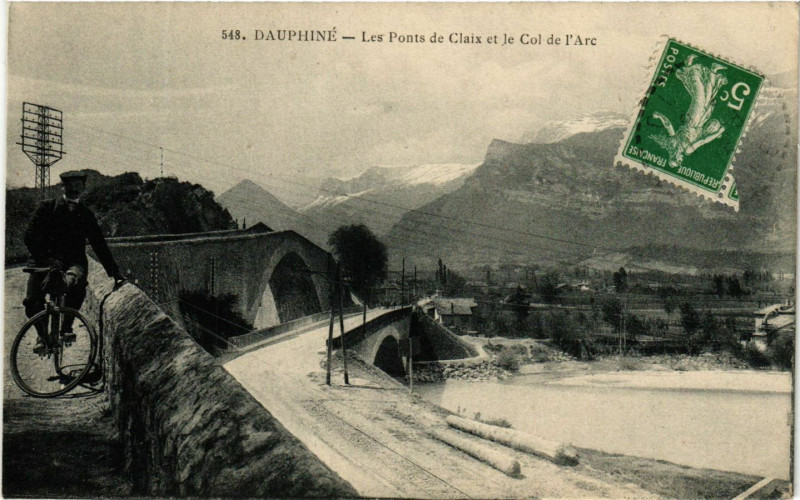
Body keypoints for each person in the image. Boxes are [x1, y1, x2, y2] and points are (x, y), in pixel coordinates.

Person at [23, 170, 124, 348]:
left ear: (83, 187)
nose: (75, 189)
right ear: (63, 186)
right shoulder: (46, 207)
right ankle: (42, 336)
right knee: (31, 302)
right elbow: (29, 236)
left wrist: (114, 272)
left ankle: (66, 328)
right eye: (71, 185)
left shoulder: (86, 214)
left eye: (79, 185)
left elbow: (99, 243)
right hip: (43, 261)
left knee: (77, 287)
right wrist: (48, 259)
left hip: (72, 262)